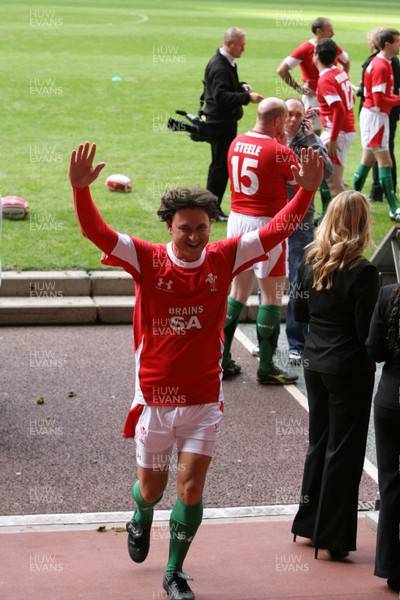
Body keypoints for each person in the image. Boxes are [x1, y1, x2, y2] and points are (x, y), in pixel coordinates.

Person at [69, 142, 323, 600]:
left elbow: (278, 228)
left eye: (202, 228)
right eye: (185, 228)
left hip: (204, 398)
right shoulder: (146, 258)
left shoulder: (225, 256)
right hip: (156, 397)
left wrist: (304, 192)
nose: (194, 237)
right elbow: (97, 233)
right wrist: (80, 190)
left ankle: (174, 572)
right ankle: (141, 514)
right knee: (153, 488)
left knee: (189, 490)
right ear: (169, 226)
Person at [291, 190, 379, 559]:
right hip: (349, 368)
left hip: (315, 363)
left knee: (319, 443)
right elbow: (365, 334)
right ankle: (334, 535)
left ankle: (310, 523)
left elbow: (300, 315)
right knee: (344, 451)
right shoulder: (364, 272)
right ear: (362, 224)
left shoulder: (309, 262)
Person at [222, 97, 299, 385]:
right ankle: (266, 366)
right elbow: (303, 182)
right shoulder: (279, 150)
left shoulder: (235, 142)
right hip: (267, 225)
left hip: (236, 220)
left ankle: (223, 360)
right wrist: (286, 145)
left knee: (238, 291)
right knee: (272, 294)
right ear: (278, 121)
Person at [283, 97, 333, 365]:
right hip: (272, 221)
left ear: (305, 117)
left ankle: (296, 343)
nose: (292, 119)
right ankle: (264, 339)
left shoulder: (311, 141)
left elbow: (327, 172)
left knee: (297, 283)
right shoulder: (273, 138)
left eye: (298, 114)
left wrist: (312, 139)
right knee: (267, 278)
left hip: (301, 223)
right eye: (288, 113)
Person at [203, 26, 263, 221]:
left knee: (220, 165)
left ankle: (212, 208)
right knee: (220, 167)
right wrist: (247, 97)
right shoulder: (220, 65)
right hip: (220, 123)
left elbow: (222, 89)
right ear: (230, 44)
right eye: (241, 45)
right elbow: (220, 96)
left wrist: (239, 86)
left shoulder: (225, 62)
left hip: (221, 121)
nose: (243, 49)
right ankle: (211, 209)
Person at [366, 284, 400, 594]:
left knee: (391, 484)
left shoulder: (387, 295)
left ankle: (392, 567)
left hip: (390, 398)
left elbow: (374, 351)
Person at [354, 27, 400, 222]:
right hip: (375, 116)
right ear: (387, 44)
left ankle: (349, 201)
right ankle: (394, 208)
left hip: (376, 116)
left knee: (368, 160)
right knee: (384, 160)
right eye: (398, 41)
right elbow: (380, 99)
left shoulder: (384, 62)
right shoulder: (381, 66)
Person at [276, 16, 350, 135]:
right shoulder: (305, 49)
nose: (333, 33)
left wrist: (341, 81)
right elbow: (282, 70)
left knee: (328, 128)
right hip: (313, 97)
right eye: (329, 30)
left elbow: (346, 62)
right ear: (318, 31)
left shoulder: (331, 47)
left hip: (331, 94)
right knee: (310, 132)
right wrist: (299, 88)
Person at [314, 38, 356, 198]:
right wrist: (323, 110)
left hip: (338, 133)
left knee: (334, 182)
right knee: (330, 179)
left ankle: (347, 219)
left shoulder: (325, 79)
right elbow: (349, 101)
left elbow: (339, 108)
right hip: (343, 131)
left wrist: (332, 138)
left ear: (316, 55)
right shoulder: (340, 73)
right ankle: (331, 215)